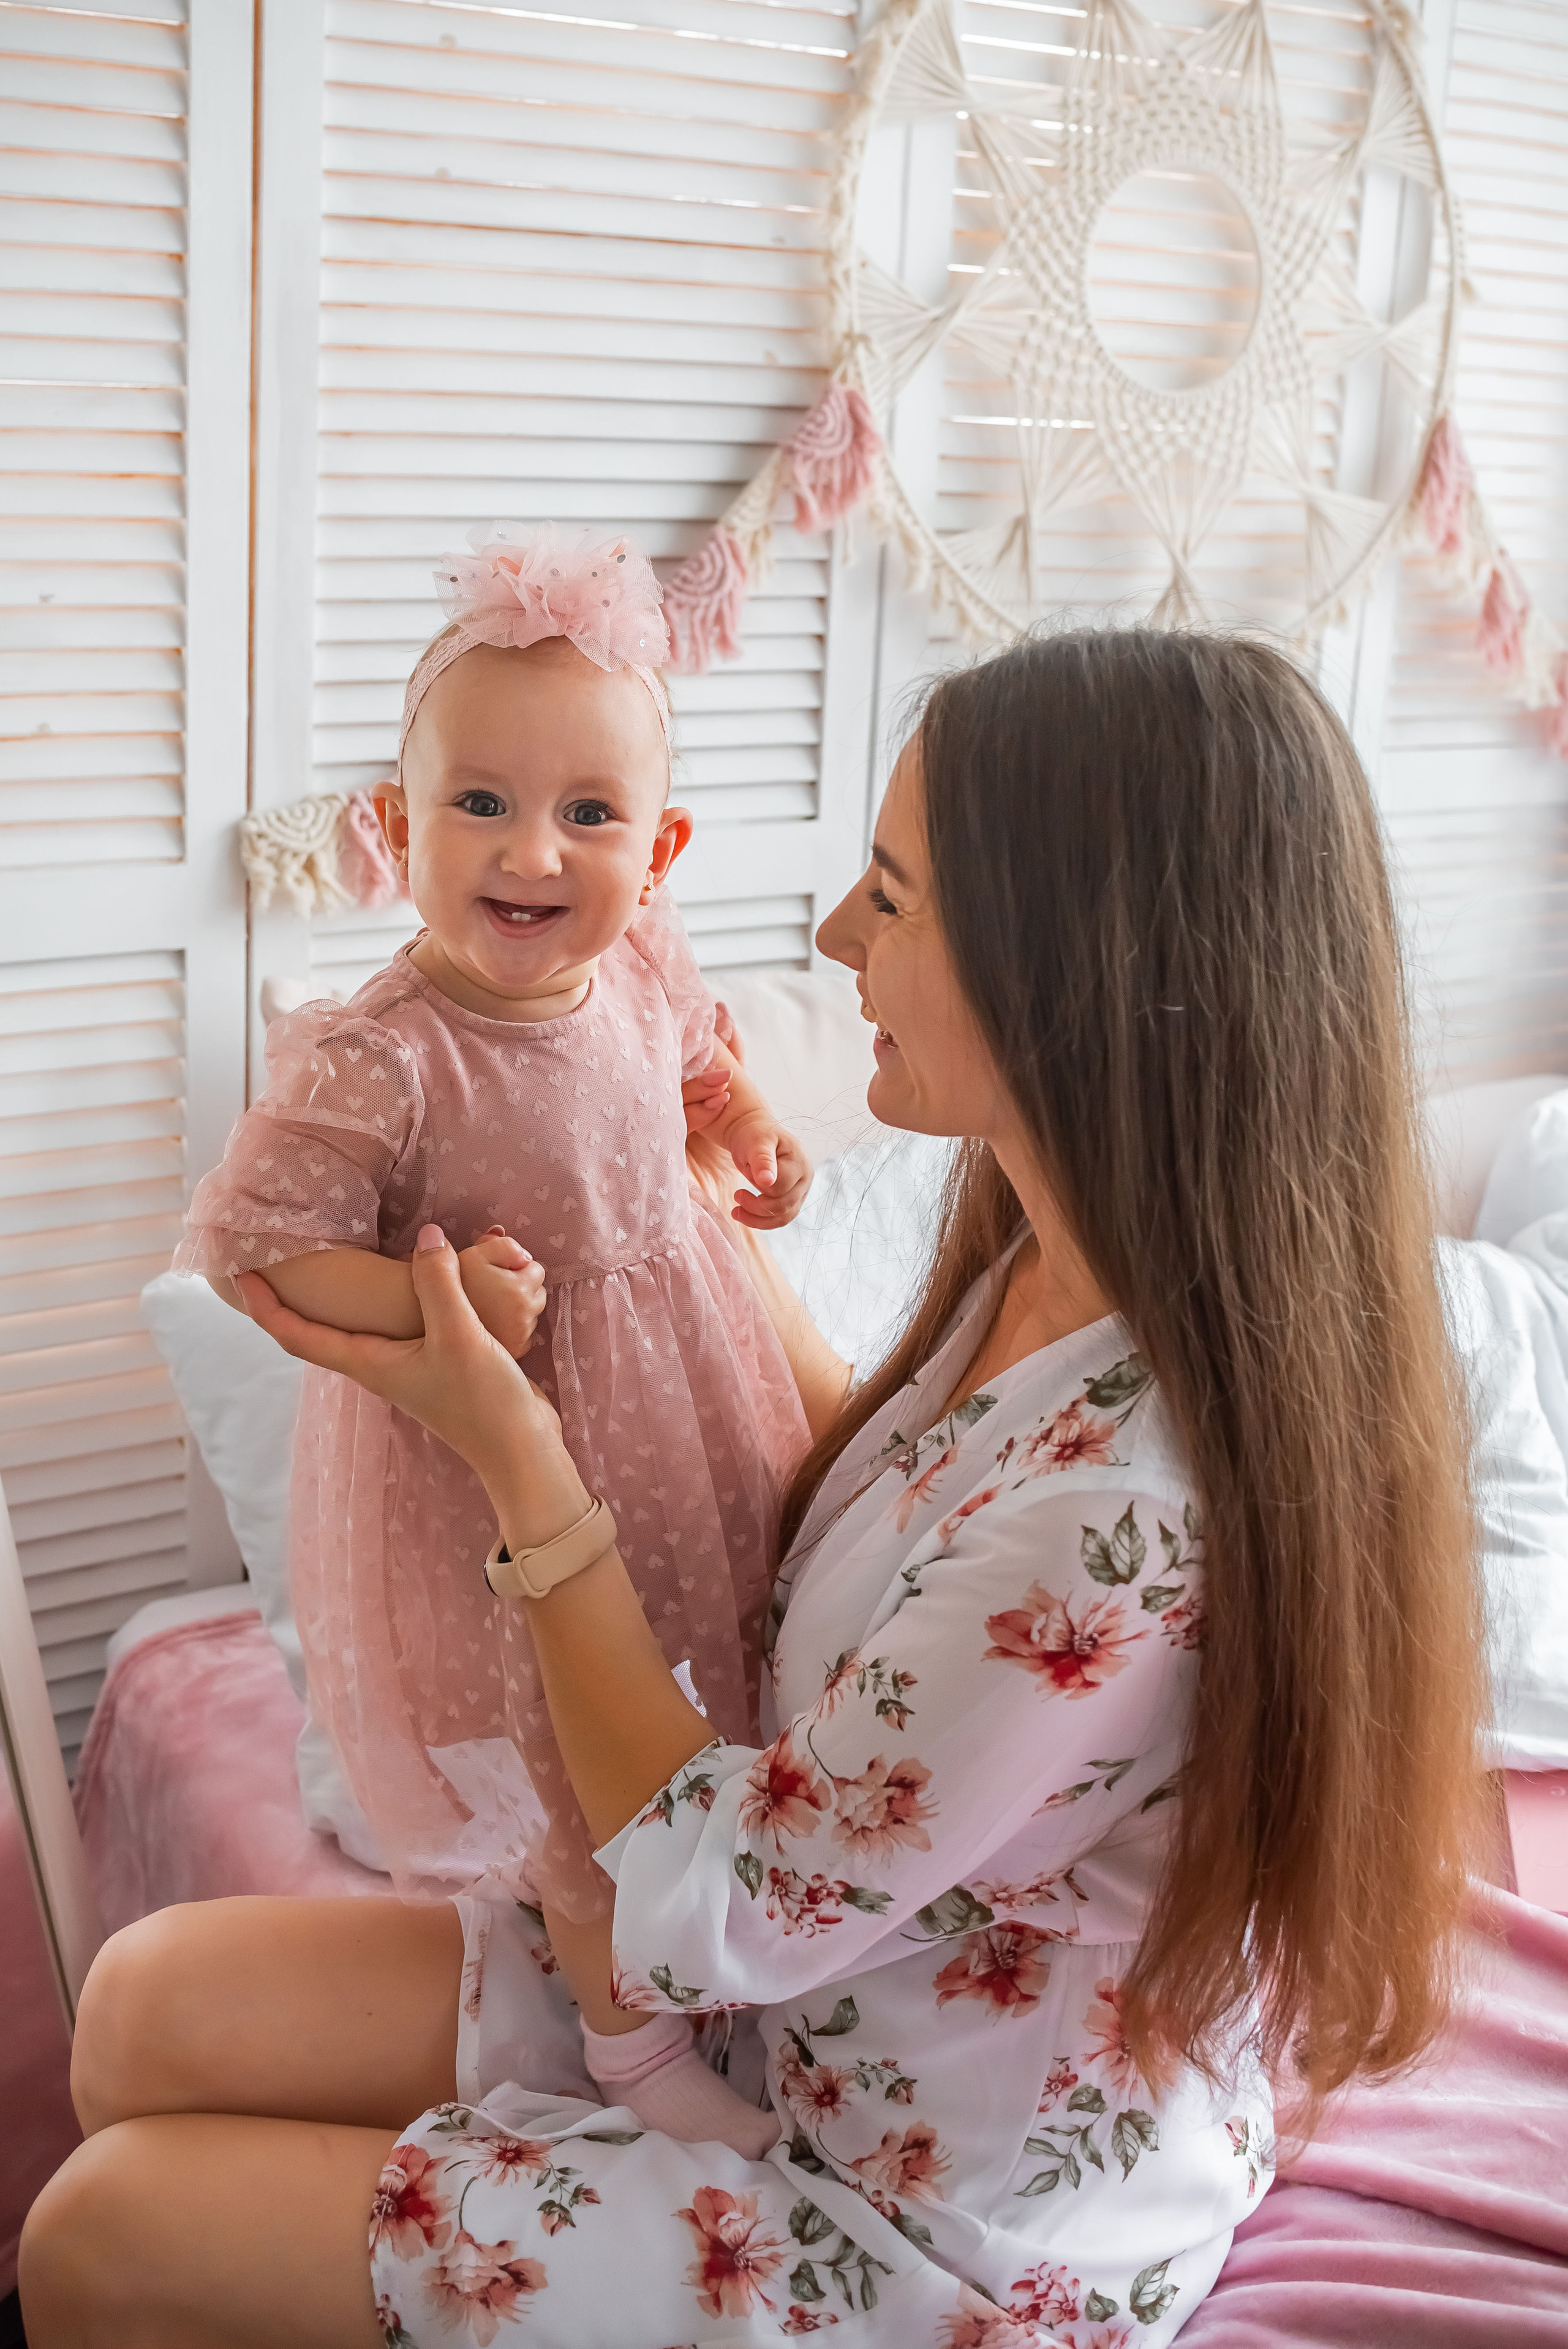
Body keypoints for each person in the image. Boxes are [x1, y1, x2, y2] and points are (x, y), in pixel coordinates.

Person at [21, 630, 1488, 2349]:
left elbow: (736, 1901)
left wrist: (512, 1447)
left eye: (889, 891)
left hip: (920, 2207)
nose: (832, 937)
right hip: (812, 1999)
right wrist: (646, 1183)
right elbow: (857, 1476)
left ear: (1070, 963)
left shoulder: (1127, 1512)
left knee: (104, 2231)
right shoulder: (1041, 1263)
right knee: (135, 2009)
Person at [170, 523, 829, 2107]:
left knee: (717, 1663)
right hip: (497, 1470)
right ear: (397, 831)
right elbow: (260, 1245)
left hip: (686, 1405)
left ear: (659, 851)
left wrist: (742, 1128)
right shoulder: (381, 1051)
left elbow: (690, 1077)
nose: (533, 853)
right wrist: (431, 1295)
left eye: (588, 815)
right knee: (556, 1746)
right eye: (482, 804)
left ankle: (724, 1946)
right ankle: (625, 2035)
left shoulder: (645, 967)